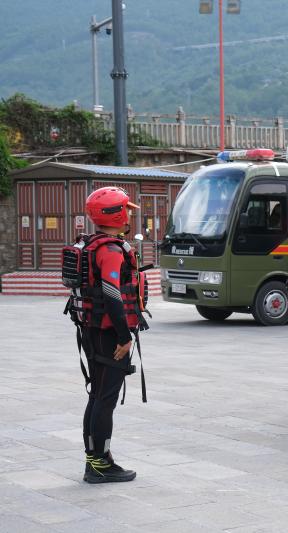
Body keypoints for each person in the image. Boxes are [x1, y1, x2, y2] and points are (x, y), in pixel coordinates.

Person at [63, 186, 146, 483]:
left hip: (92, 330)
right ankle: (99, 465)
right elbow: (112, 294)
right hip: (109, 335)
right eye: (126, 211)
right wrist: (125, 337)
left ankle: (96, 460)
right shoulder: (110, 251)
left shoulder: (92, 244)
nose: (130, 217)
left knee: (97, 395)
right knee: (105, 399)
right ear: (117, 214)